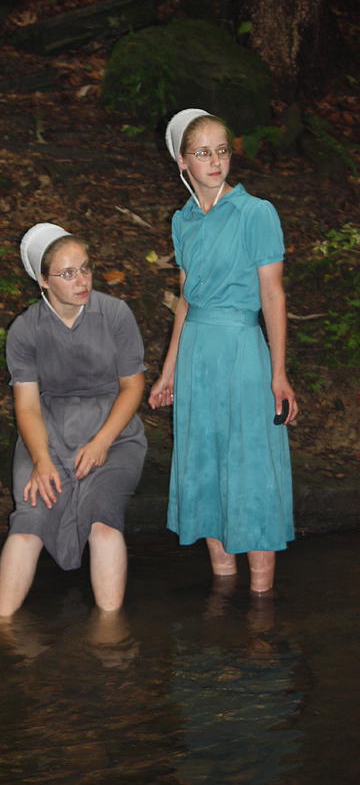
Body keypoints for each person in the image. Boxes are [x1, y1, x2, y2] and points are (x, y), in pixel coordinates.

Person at [149, 109, 298, 594]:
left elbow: (273, 295)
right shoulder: (183, 221)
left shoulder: (257, 213)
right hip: (196, 355)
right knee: (204, 461)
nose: (214, 161)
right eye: (201, 153)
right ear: (182, 161)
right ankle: (222, 590)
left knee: (252, 464)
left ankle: (260, 605)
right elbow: (186, 298)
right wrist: (168, 370)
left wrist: (279, 373)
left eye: (220, 150)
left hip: (242, 351)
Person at [0, 224, 147, 617]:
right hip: (47, 433)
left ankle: (109, 633)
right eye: (67, 274)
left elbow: (133, 387)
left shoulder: (114, 313)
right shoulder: (25, 329)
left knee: (102, 518)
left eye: (85, 268)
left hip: (114, 433)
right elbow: (26, 406)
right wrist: (41, 460)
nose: (81, 281)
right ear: (43, 281)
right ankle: (2, 630)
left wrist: (101, 444)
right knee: (29, 517)